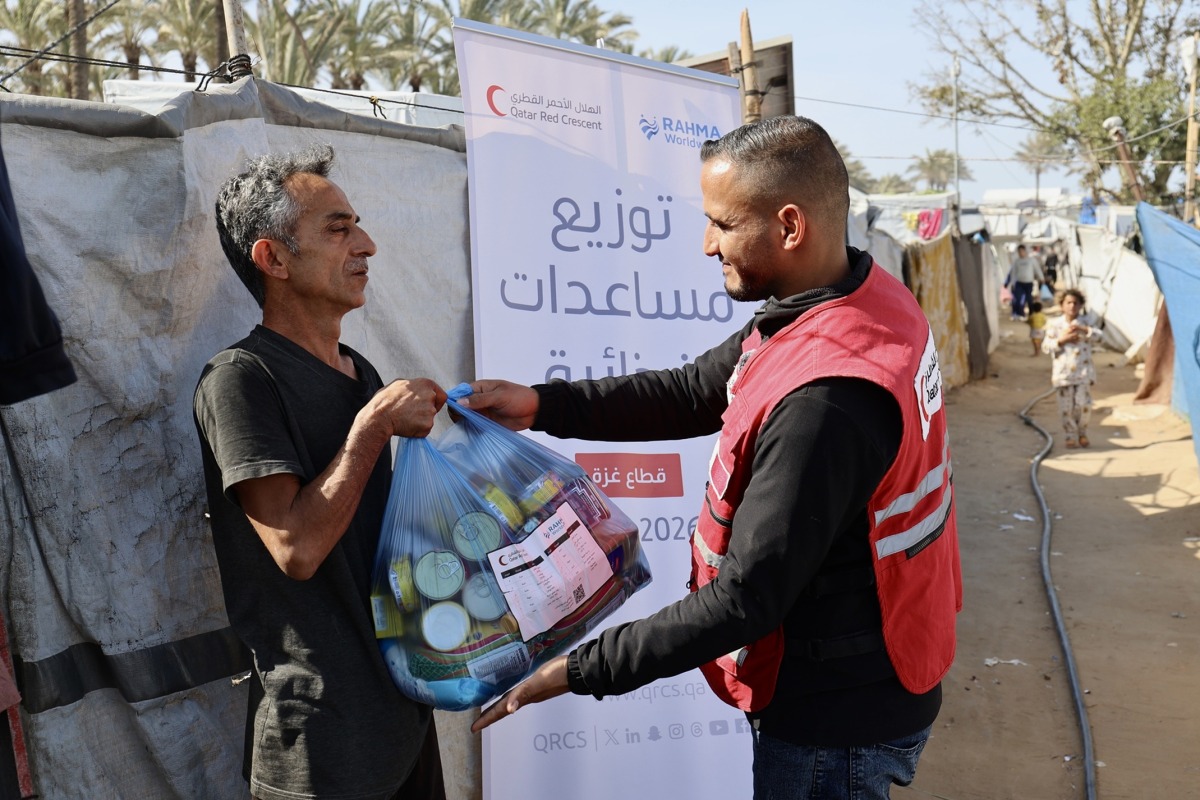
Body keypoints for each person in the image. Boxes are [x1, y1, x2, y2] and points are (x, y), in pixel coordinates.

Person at [465, 116, 962, 799]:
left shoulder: (829, 402)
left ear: (789, 226)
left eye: (723, 225)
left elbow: (744, 600)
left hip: (834, 722)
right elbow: (696, 389)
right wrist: (542, 405)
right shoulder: (858, 298)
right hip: (862, 674)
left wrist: (578, 670)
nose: (707, 245)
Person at [193, 145, 448, 800]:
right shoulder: (240, 380)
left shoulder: (358, 371)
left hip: (404, 719)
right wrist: (372, 427)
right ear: (273, 258)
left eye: (356, 225)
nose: (365, 245)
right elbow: (297, 548)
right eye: (338, 229)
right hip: (321, 747)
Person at [1042, 288, 1102, 449]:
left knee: (1083, 405)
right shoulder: (1055, 325)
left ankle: (1082, 432)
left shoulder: (1086, 323)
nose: (1072, 306)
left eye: (1076, 303)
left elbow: (1099, 336)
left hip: (1083, 373)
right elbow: (1046, 347)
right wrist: (1062, 340)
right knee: (1066, 407)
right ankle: (1070, 435)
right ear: (1062, 305)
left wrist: (1084, 330)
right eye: (1068, 302)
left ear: (1081, 305)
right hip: (1063, 374)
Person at [1007, 244, 1044, 320]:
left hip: (1029, 283)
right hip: (1019, 283)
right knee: (1018, 299)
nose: (1021, 253)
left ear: (1025, 251)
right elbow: (1013, 272)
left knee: (1029, 299)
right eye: (1019, 252)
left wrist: (1041, 278)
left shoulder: (1031, 260)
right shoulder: (1017, 261)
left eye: (1022, 251)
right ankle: (1020, 314)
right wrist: (1013, 283)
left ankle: (1032, 314)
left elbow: (1037, 269)